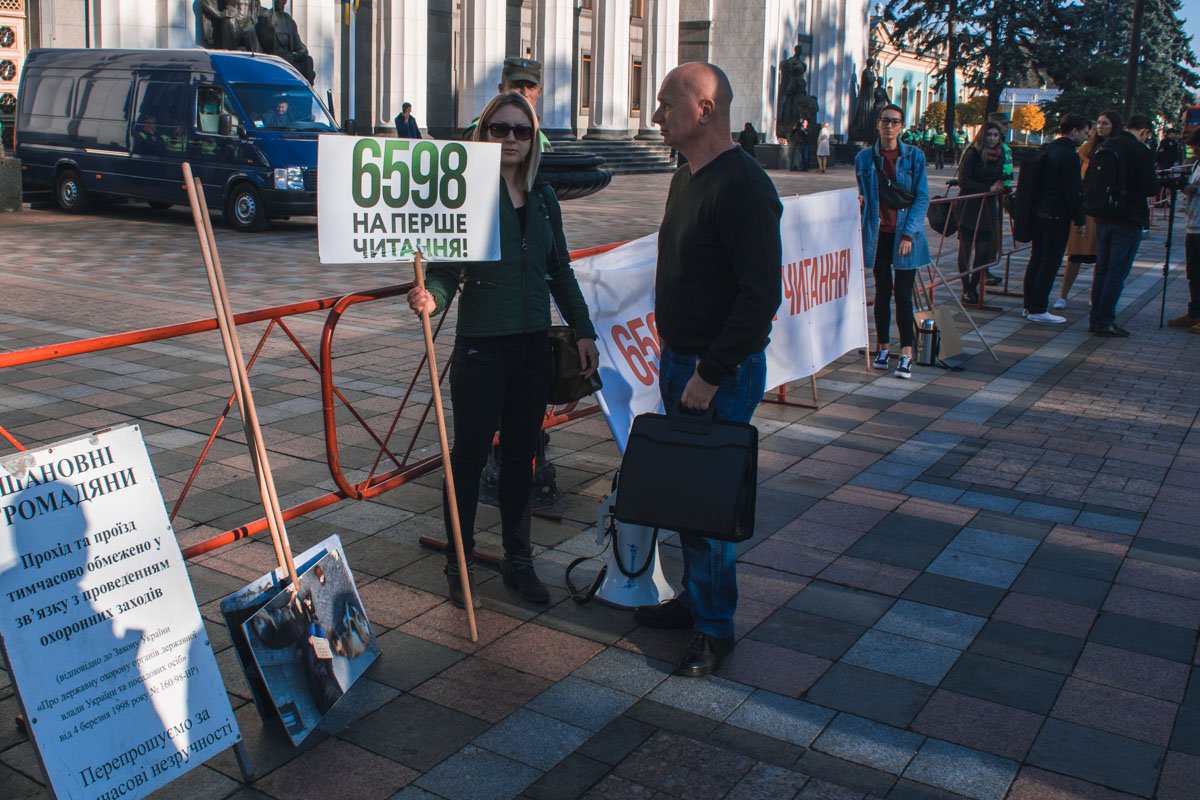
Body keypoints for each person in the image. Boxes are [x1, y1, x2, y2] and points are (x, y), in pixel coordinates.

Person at [406, 91, 599, 608]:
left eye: (521, 130)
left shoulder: (542, 196)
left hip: (533, 350)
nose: (511, 138)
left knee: (520, 460)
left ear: (533, 138)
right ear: (483, 133)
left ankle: (520, 560)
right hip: (481, 351)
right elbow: (447, 270)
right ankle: (459, 563)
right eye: (500, 129)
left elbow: (560, 270)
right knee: (467, 460)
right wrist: (432, 296)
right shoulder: (466, 195)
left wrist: (583, 330)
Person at [633, 62, 782, 678]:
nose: (655, 115)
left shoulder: (745, 187)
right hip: (682, 362)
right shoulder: (685, 179)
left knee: (711, 501)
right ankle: (697, 598)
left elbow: (759, 298)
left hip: (716, 372)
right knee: (690, 498)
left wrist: (710, 374)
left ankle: (714, 628)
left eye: (666, 103)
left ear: (704, 109)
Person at [857, 104, 931, 380]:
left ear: (902, 126)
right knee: (882, 292)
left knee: (903, 294)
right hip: (878, 236)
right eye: (885, 120)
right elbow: (864, 196)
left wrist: (909, 233)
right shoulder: (864, 159)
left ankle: (907, 353)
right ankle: (883, 347)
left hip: (904, 236)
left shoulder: (914, 157)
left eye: (895, 121)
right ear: (878, 124)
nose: (889, 126)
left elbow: (921, 197)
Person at [1089, 114, 1160, 337]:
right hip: (1128, 217)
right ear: (1144, 131)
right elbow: (1150, 187)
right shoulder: (1140, 151)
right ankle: (1105, 319)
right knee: (1116, 272)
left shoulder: (1107, 145)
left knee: (1101, 269)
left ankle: (1095, 318)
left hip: (1103, 215)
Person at [1021, 114, 1089, 323]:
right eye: (1085, 133)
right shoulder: (1068, 155)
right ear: (1074, 131)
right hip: (1057, 214)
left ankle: (1029, 305)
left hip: (1040, 211)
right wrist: (1080, 218)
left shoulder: (1048, 149)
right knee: (1050, 262)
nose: (1085, 138)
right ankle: (1038, 307)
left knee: (1037, 258)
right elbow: (1072, 189)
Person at [1058, 113, 1119, 309]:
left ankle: (1095, 296)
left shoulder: (1115, 148)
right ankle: (1063, 296)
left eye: (1105, 123)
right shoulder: (1087, 149)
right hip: (1085, 206)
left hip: (1103, 210)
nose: (1100, 127)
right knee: (1075, 255)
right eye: (1099, 123)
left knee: (1100, 257)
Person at [955, 122, 1007, 303]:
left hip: (987, 207)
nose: (992, 138)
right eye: (989, 134)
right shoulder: (972, 154)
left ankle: (973, 287)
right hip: (970, 206)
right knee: (966, 249)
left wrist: (1002, 185)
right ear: (982, 136)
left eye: (995, 135)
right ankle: (966, 287)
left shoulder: (1001, 155)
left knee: (983, 250)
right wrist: (988, 187)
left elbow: (1004, 176)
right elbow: (964, 181)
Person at [463, 57, 552, 152]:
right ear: (501, 89)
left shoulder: (543, 140)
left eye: (531, 87)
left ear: (539, 92)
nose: (525, 93)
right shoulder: (478, 131)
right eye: (517, 86)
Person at [1171, 127, 1200, 332]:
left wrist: (1195, 188)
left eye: (1197, 147)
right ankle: (1195, 313)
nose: (1195, 150)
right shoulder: (1197, 163)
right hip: (1193, 224)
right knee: (1193, 273)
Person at [256, 0, 316, 83]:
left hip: (287, 56)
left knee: (308, 60)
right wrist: (269, 26)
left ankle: (307, 89)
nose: (279, 2)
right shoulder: (266, 17)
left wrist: (302, 51)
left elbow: (298, 44)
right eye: (277, 0)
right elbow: (263, 40)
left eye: (281, 0)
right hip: (273, 56)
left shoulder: (289, 21)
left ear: (285, 2)